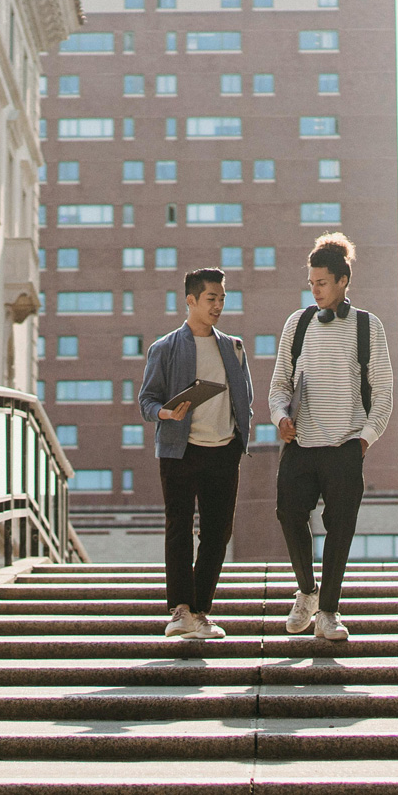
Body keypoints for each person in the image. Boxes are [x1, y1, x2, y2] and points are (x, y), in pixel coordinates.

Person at [268, 233, 394, 640]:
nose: (315, 290)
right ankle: (306, 592)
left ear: (343, 280)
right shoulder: (298, 323)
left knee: (340, 528)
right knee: (289, 513)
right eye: (311, 284)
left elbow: (384, 391)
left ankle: (328, 612)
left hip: (345, 446)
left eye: (321, 283)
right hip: (301, 444)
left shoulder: (366, 326)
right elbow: (278, 386)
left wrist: (364, 439)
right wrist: (279, 416)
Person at [139, 268, 252, 639]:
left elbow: (245, 399)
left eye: (222, 298)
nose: (218, 305)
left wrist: (238, 437)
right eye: (211, 299)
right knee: (179, 529)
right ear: (190, 300)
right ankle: (180, 610)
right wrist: (166, 413)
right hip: (180, 450)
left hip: (223, 450)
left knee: (218, 533)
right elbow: (146, 401)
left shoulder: (233, 347)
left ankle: (202, 611)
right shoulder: (165, 347)